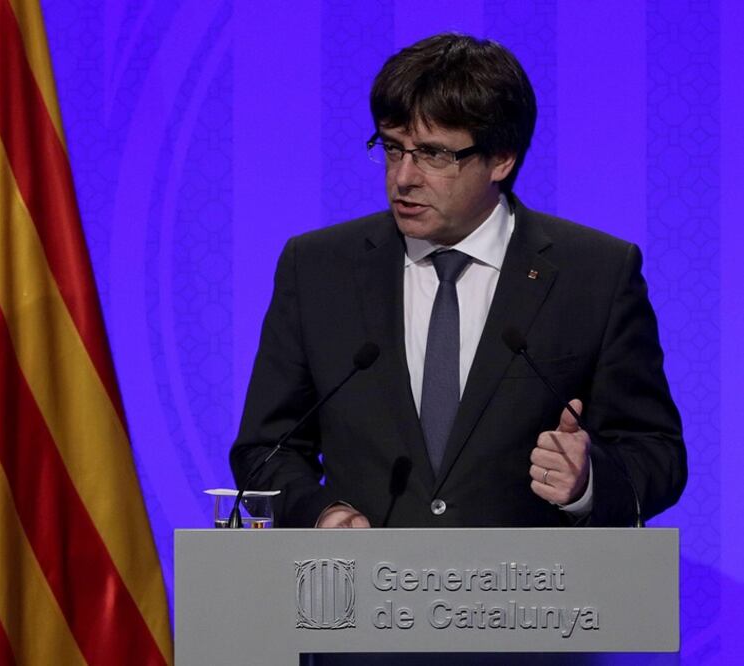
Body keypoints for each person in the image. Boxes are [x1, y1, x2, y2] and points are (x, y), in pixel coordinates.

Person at [229, 33, 686, 528]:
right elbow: (264, 448)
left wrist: (587, 482)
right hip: (358, 592)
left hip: (530, 596)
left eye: (433, 155)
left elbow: (656, 454)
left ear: (501, 158)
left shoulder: (594, 273)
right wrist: (320, 512)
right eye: (393, 148)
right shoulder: (318, 268)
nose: (403, 177)